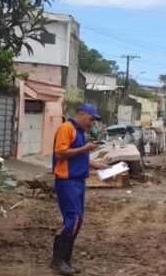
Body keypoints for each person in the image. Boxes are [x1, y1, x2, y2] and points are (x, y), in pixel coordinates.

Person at [50, 104, 108, 275]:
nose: (92, 123)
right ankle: (58, 260)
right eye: (91, 119)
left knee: (78, 221)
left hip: (78, 181)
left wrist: (96, 164)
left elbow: (79, 155)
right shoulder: (66, 128)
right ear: (82, 115)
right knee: (73, 219)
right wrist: (85, 148)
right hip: (66, 181)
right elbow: (60, 153)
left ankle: (65, 259)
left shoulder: (80, 132)